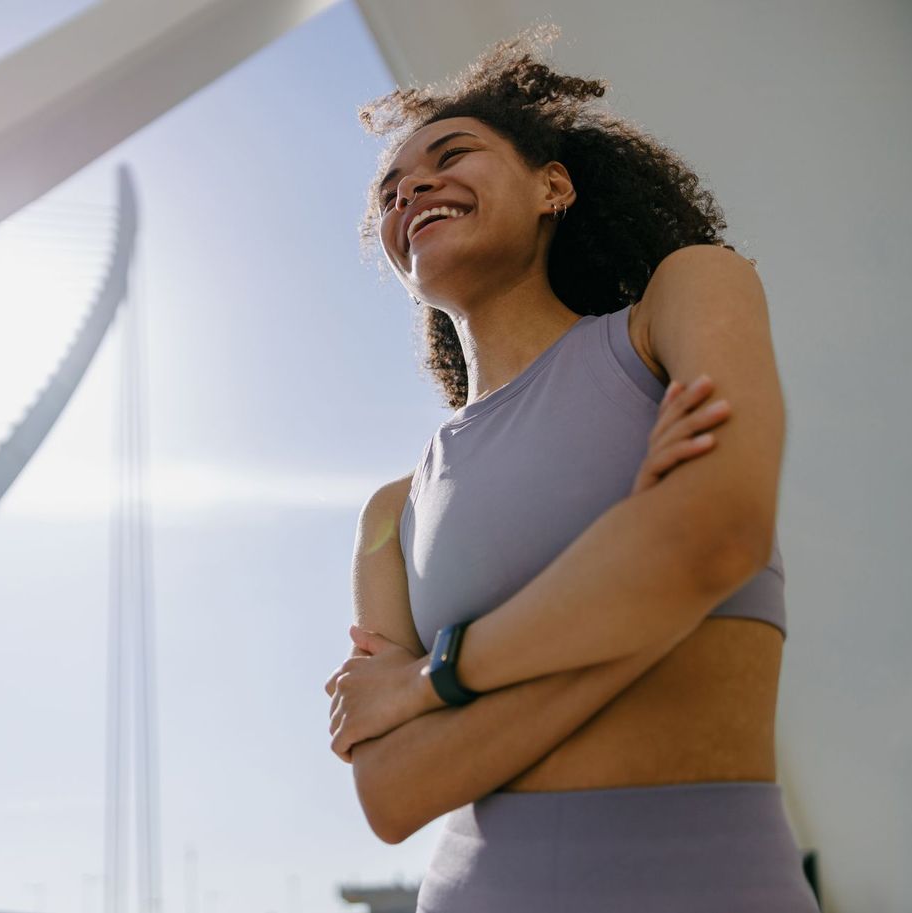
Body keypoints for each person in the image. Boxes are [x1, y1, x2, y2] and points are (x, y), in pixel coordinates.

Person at [322, 22, 820, 913]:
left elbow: (716, 538)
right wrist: (648, 599)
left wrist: (433, 680)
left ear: (554, 184)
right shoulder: (389, 513)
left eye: (452, 154)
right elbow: (391, 795)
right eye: (391, 192)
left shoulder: (684, 299)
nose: (412, 191)